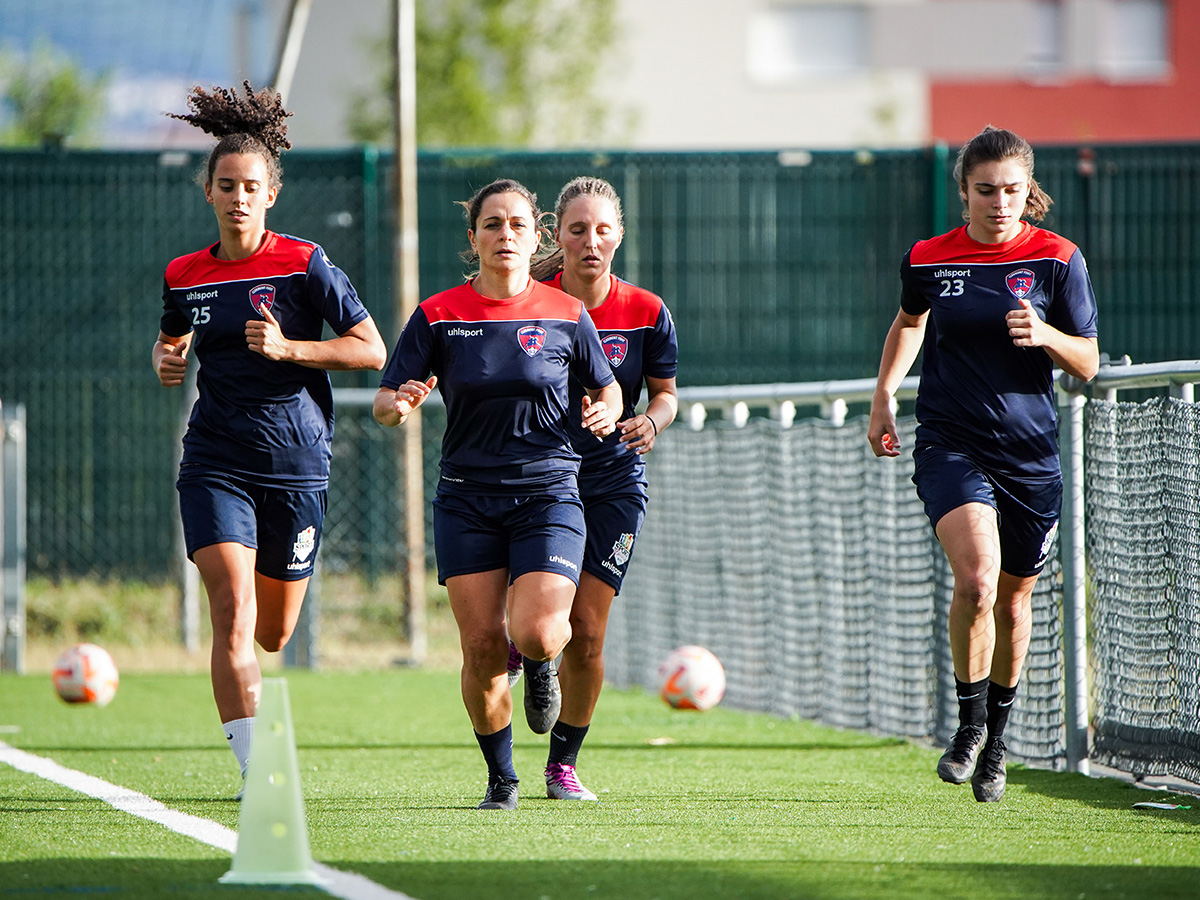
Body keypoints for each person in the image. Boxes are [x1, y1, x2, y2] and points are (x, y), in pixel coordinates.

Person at [153, 82, 387, 797]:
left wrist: (291, 351)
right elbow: (172, 342)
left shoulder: (304, 263)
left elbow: (371, 347)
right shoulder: (184, 274)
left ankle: (259, 724)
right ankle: (258, 772)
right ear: (209, 192)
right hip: (215, 459)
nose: (238, 197)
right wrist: (165, 359)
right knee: (232, 610)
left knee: (274, 634)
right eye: (226, 185)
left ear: (271, 193)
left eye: (251, 186)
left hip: (295, 463)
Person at [373, 178, 621, 811]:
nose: (504, 235)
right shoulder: (437, 314)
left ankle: (539, 665)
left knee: (538, 633)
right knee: (481, 646)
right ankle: (502, 781)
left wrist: (605, 409)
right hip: (466, 498)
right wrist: (397, 406)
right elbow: (385, 397)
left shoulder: (567, 313)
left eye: (516, 225)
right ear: (473, 238)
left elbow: (609, 387)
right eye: (492, 225)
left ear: (535, 235)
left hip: (549, 494)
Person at [868, 126, 1099, 803]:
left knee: (1017, 598)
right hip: (950, 442)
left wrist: (1047, 335)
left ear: (1029, 192)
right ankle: (967, 727)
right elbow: (910, 321)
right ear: (963, 190)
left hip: (1030, 454)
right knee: (977, 580)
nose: (999, 203)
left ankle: (998, 742)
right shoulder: (930, 257)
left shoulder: (1059, 259)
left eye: (1011, 190)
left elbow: (1087, 359)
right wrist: (884, 393)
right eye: (986, 190)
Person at [513, 176, 678, 801]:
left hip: (612, 483)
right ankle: (528, 649)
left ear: (620, 235)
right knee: (538, 622)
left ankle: (562, 765)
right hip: (537, 480)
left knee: (588, 629)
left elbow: (664, 396)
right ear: (557, 235)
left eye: (603, 229)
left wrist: (647, 421)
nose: (591, 241)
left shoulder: (646, 311)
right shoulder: (531, 303)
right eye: (577, 229)